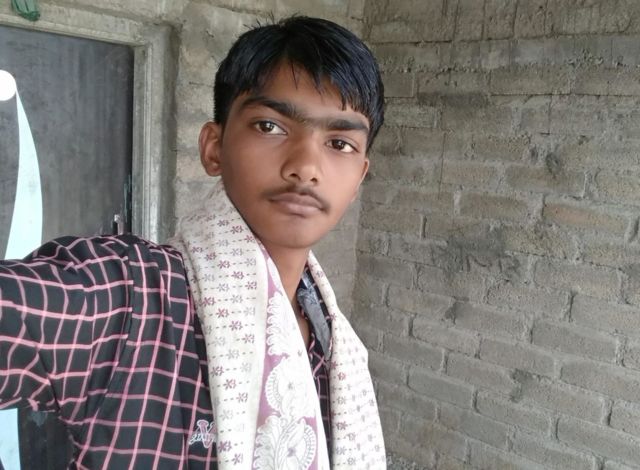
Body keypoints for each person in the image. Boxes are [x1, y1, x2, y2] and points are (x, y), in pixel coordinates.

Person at [0, 16, 386, 469]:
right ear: (213, 148)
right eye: (270, 126)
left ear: (359, 178)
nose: (306, 166)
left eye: (340, 143)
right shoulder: (132, 299)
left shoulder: (333, 343)